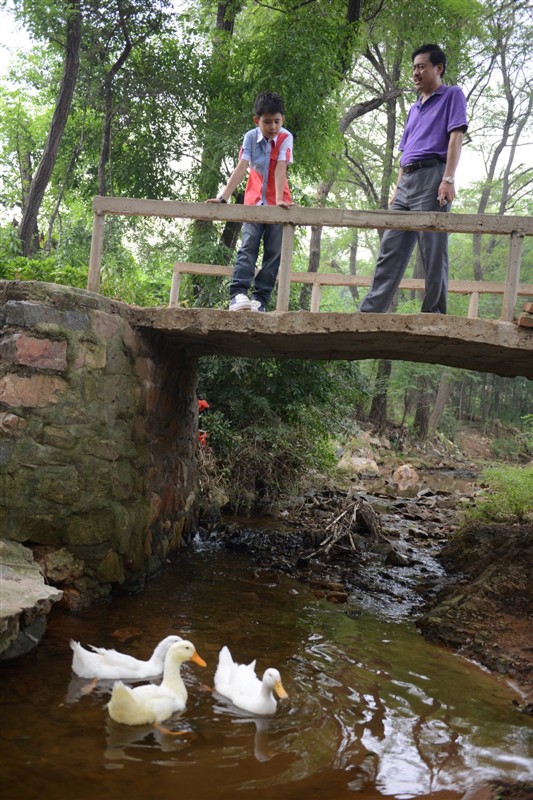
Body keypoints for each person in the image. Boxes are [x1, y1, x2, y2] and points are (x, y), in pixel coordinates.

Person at [359, 44, 468, 315]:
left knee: (432, 250)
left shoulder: (452, 95)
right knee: (390, 249)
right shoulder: (413, 109)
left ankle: (434, 313)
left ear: (438, 68)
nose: (416, 73)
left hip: (433, 178)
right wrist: (397, 189)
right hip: (406, 182)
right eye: (414, 68)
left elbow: (456, 139)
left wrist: (448, 179)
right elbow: (405, 152)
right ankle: (371, 311)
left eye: (421, 67)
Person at [207, 91, 293, 312]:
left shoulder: (285, 137)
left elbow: (280, 170)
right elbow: (242, 167)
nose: (273, 127)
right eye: (267, 122)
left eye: (277, 121)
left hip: (279, 204)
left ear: (282, 119)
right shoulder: (249, 137)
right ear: (257, 121)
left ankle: (261, 300)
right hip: (254, 202)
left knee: (273, 253)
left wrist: (282, 200)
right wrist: (223, 197)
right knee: (248, 247)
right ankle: (238, 294)